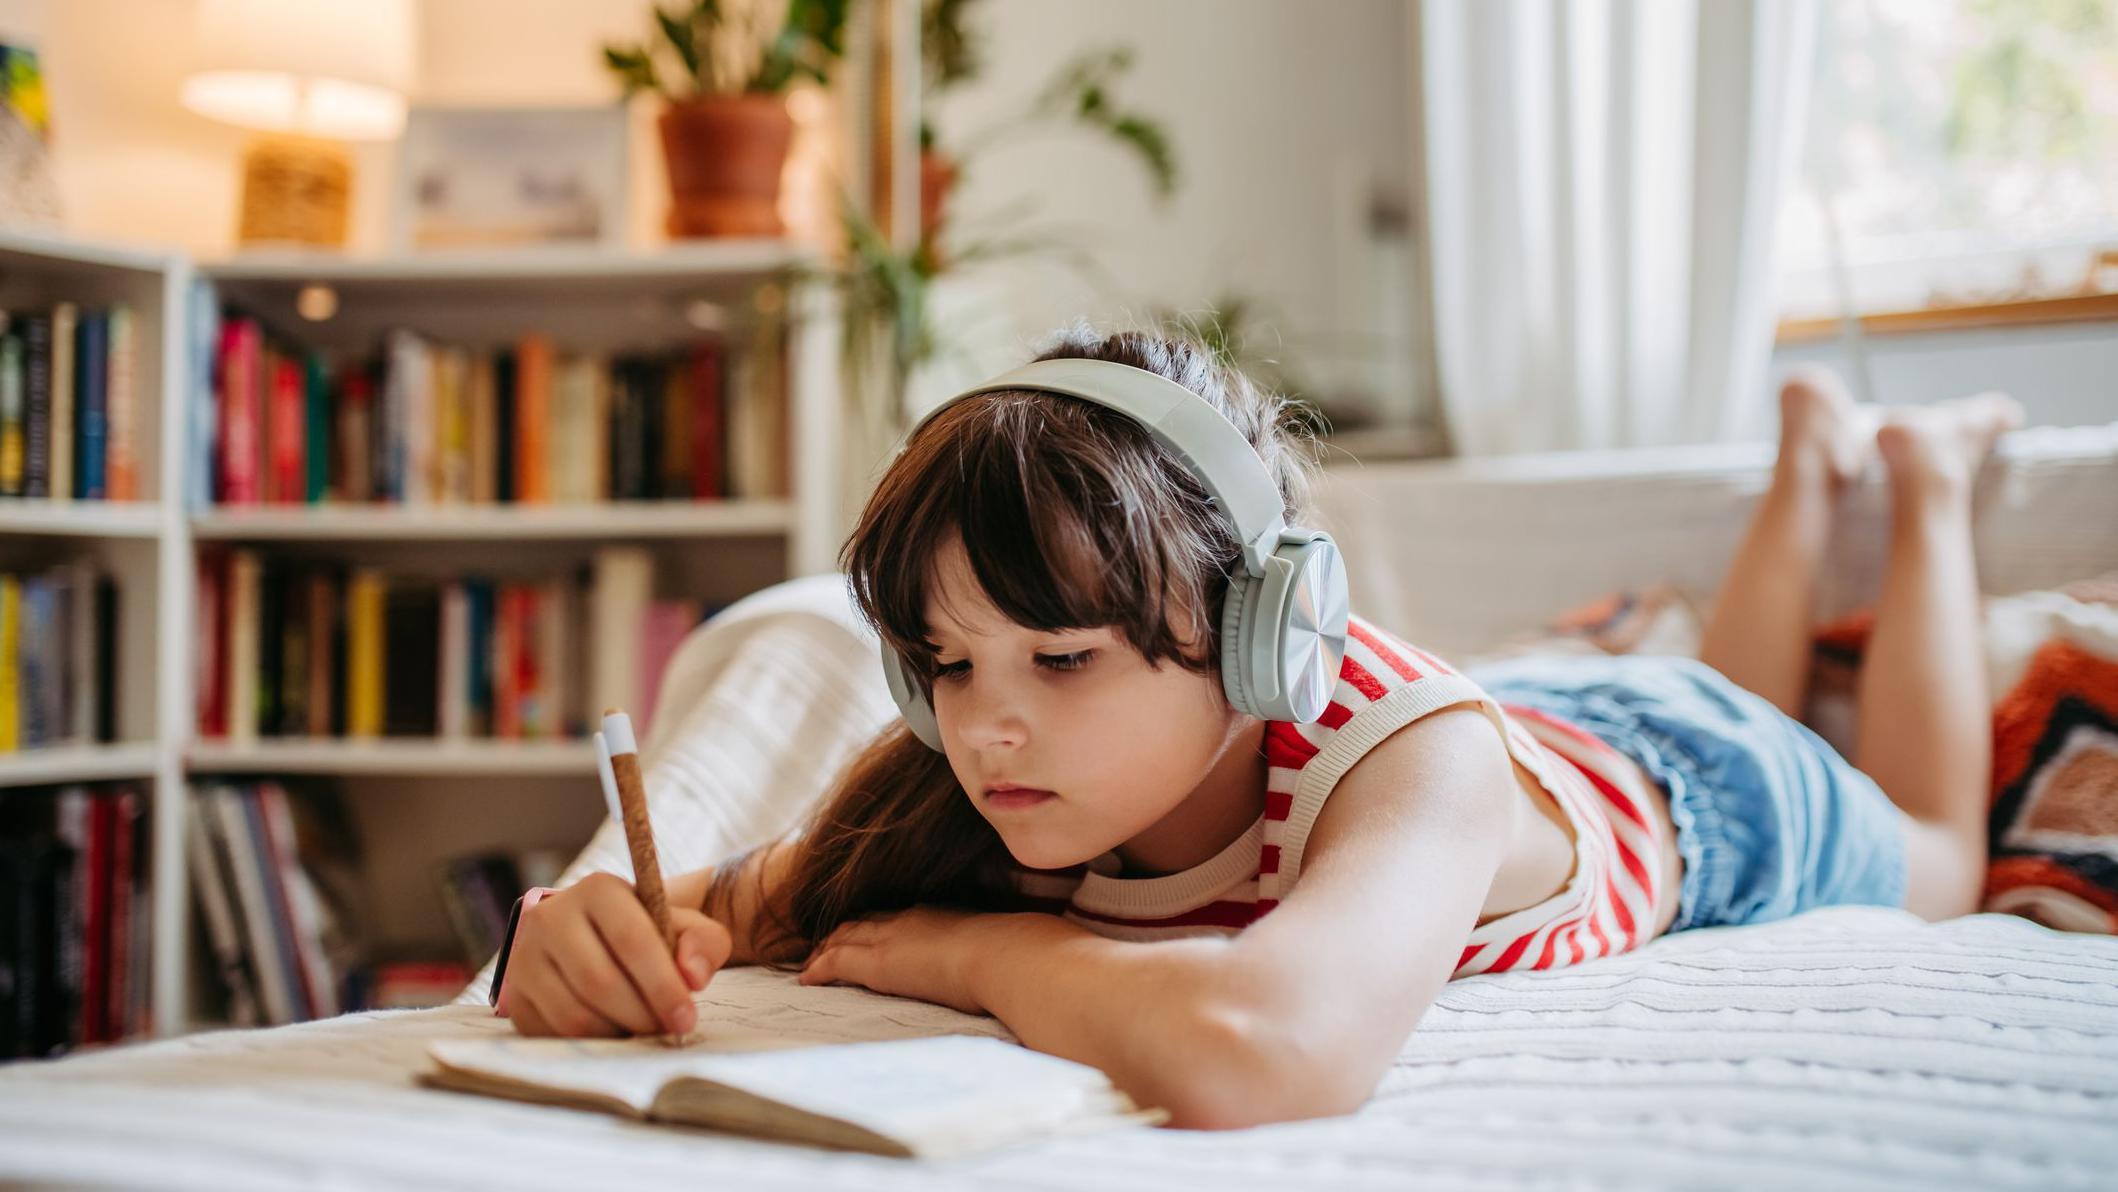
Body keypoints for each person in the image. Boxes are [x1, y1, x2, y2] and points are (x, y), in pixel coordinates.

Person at [490, 326, 2021, 1129]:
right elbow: (702, 909)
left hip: (1693, 791)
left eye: (1061, 657)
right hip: (1549, 714)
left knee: (1939, 851)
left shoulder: (1419, 756)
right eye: (945, 665)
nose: (985, 730)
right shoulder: (974, 784)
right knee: (1692, 684)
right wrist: (566, 934)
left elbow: (1268, 1053)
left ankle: (1925, 481)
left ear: (1257, 636)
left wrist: (977, 954)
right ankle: (1805, 466)